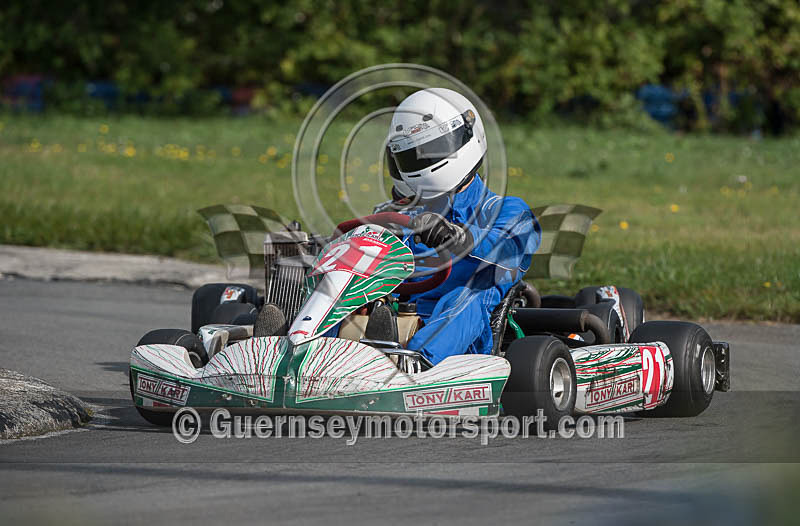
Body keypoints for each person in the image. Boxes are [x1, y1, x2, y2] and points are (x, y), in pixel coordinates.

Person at [383, 88, 541, 365]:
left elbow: (508, 246)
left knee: (465, 296)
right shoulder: (401, 214)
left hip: (466, 334)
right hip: (397, 312)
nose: (423, 162)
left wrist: (456, 237)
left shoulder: (503, 209)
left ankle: (416, 363)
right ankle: (309, 352)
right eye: (413, 156)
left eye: (431, 150)